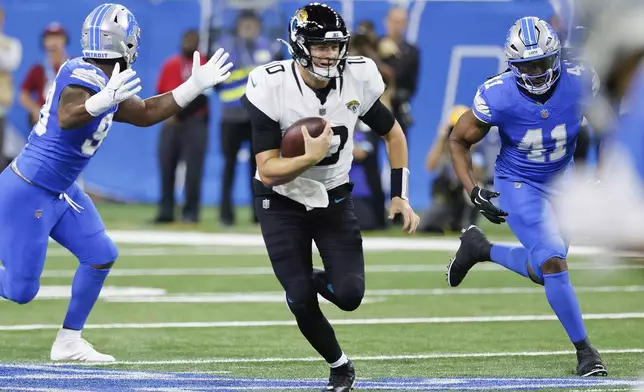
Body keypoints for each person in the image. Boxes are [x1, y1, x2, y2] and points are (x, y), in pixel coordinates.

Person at [0, 3, 232, 362]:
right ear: (121, 40)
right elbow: (67, 116)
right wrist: (102, 101)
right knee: (20, 292)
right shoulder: (79, 72)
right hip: (29, 190)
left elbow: (145, 113)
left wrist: (193, 86)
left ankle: (69, 341)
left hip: (61, 190)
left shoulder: (109, 80)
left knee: (100, 255)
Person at [240, 3, 419, 390]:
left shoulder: (359, 76)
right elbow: (268, 169)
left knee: (350, 295)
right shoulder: (271, 84)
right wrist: (309, 156)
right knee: (300, 296)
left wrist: (399, 196)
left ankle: (307, 279)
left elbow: (394, 135)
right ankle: (339, 365)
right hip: (281, 198)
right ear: (299, 45)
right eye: (319, 46)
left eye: (335, 46)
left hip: (334, 194)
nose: (329, 54)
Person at [447, 16, 607, 377]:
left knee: (543, 270)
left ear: (556, 58)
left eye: (541, 63)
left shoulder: (581, 81)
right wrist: (472, 189)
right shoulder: (497, 94)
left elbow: (607, 125)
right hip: (519, 182)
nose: (535, 72)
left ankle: (480, 249)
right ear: (512, 65)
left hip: (563, 181)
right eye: (526, 65)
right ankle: (586, 352)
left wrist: (603, 171)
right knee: (553, 263)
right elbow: (458, 140)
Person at [154, 29, 210, 224]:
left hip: (194, 122)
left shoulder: (205, 63)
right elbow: (161, 93)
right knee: (166, 166)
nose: (189, 44)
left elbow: (204, 95)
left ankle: (191, 212)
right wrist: (168, 115)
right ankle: (166, 211)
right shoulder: (170, 64)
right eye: (186, 40)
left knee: (194, 169)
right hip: (170, 123)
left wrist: (179, 113)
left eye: (193, 40)